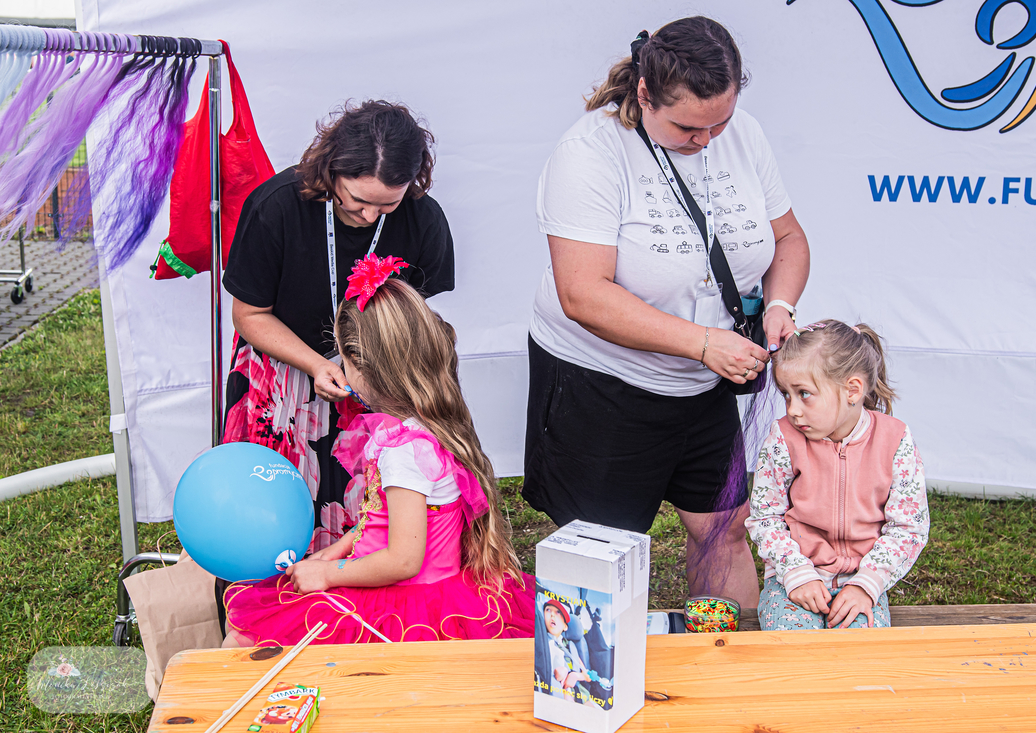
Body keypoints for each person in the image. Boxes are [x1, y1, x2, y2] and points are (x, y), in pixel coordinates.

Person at [524, 16, 810, 607]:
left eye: (719, 123)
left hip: (705, 380)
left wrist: (779, 305)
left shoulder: (743, 135)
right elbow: (583, 294)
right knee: (601, 548)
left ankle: (724, 655)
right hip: (604, 383)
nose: (706, 140)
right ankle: (596, 665)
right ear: (645, 93)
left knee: (724, 529)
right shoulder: (589, 153)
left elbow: (788, 239)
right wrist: (703, 343)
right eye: (686, 127)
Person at [222, 265, 535, 646]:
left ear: (362, 368)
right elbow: (381, 517)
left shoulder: (403, 452)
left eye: (344, 360)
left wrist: (330, 574)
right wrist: (336, 551)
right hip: (432, 590)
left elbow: (403, 560)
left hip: (402, 606)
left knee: (241, 641)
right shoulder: (427, 426)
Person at [222, 100, 455, 553]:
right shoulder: (275, 207)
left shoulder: (425, 219)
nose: (370, 217)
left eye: (388, 205)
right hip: (284, 376)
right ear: (332, 170)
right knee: (276, 512)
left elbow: (416, 317)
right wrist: (315, 364)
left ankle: (350, 588)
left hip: (375, 379)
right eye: (359, 201)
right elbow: (249, 315)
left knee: (371, 516)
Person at [746, 320, 930, 631]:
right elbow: (765, 517)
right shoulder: (783, 438)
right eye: (786, 394)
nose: (792, 410)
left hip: (861, 583)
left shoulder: (895, 440)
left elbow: (909, 527)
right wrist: (796, 574)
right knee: (791, 648)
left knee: (860, 652)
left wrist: (866, 585)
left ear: (852, 390)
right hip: (794, 580)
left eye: (804, 394)